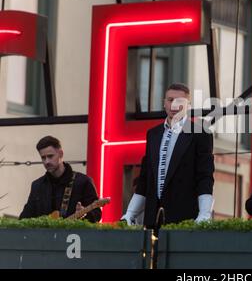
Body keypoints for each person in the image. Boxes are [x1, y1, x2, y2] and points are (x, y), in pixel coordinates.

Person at [121, 83, 214, 227]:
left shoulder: (200, 133)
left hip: (184, 216)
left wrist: (204, 214)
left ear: (188, 105)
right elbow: (145, 179)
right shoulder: (153, 134)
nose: (174, 105)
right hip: (153, 216)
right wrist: (130, 214)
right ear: (164, 103)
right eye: (170, 100)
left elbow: (205, 176)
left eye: (180, 101)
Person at [20, 136, 101, 222]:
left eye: (50, 156)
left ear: (61, 154)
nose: (47, 161)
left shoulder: (83, 182)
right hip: (44, 235)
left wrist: (85, 214)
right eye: (43, 158)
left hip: (74, 235)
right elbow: (24, 219)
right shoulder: (37, 186)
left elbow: (97, 214)